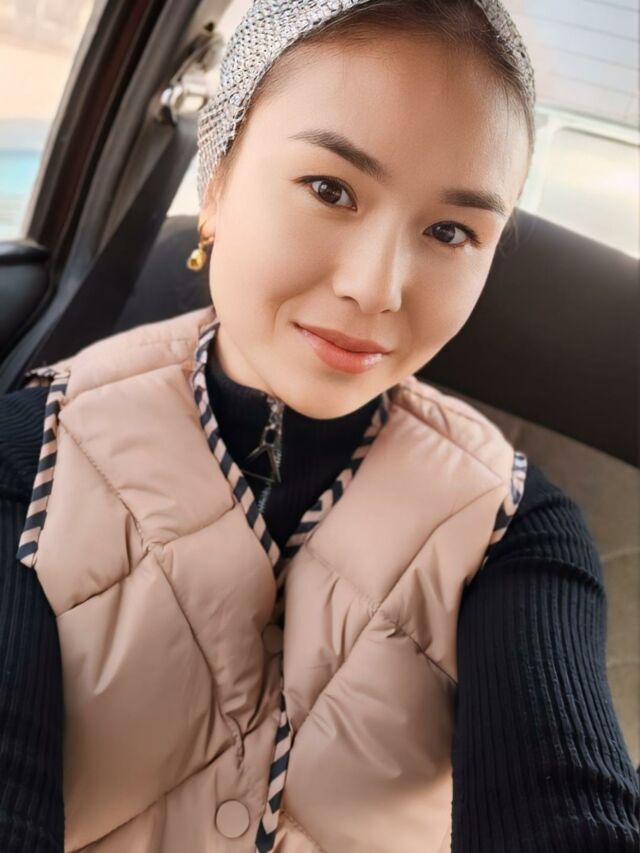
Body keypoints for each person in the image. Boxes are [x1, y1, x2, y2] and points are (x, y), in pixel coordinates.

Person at [0, 0, 638, 850]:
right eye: (331, 190)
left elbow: (566, 799)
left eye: (450, 231)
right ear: (217, 182)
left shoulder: (514, 527)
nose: (376, 287)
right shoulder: (29, 454)